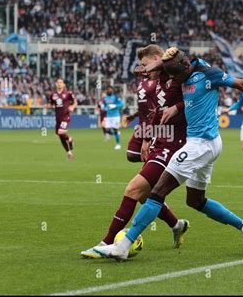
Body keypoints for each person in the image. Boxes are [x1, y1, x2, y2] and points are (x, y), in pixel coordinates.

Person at [93, 47, 243, 261]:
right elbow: (157, 66)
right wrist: (146, 69)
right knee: (196, 201)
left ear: (185, 68)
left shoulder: (209, 74)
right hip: (207, 143)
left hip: (201, 145)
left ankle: (123, 245)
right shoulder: (180, 66)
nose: (174, 82)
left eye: (176, 77)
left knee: (157, 192)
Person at [81, 45, 189, 258]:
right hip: (158, 138)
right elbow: (151, 111)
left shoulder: (177, 75)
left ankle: (108, 242)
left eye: (146, 64)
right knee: (144, 192)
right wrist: (146, 136)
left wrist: (175, 110)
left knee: (133, 189)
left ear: (158, 59)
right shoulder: (152, 82)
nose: (143, 69)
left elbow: (192, 96)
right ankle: (177, 225)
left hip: (173, 144)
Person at [48, 78, 77, 161]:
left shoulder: (68, 93)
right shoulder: (53, 95)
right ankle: (69, 151)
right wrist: (49, 106)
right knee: (59, 135)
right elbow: (52, 104)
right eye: (58, 82)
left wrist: (72, 107)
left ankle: (69, 141)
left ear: (64, 84)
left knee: (61, 132)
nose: (59, 84)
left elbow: (75, 102)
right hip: (58, 118)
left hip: (65, 117)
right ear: (56, 84)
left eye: (61, 82)